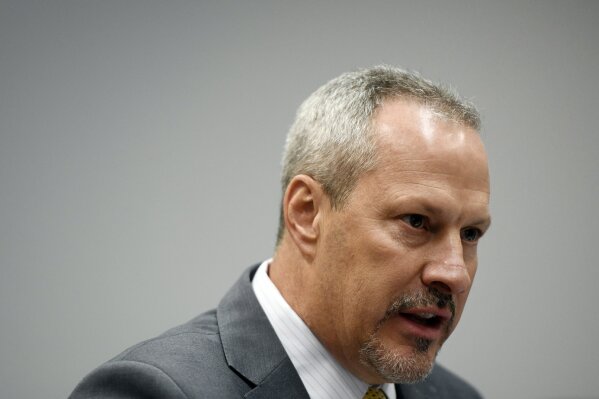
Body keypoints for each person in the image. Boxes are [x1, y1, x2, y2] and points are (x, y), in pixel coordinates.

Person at [70, 65, 491, 399]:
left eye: (471, 234)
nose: (455, 274)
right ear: (306, 213)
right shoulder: (153, 392)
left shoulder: (459, 396)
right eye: (416, 222)